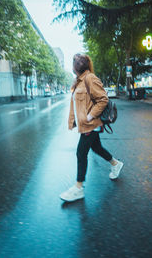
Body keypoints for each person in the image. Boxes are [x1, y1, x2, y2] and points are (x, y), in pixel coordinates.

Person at [59, 53, 123, 202]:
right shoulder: (79, 81)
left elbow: (103, 99)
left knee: (81, 153)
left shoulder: (90, 79)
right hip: (86, 125)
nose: (77, 64)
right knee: (96, 148)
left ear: (79, 66)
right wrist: (74, 121)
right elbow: (77, 104)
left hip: (91, 125)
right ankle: (115, 164)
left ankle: (78, 188)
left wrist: (89, 116)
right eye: (76, 62)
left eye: (79, 62)